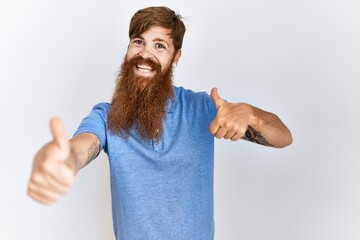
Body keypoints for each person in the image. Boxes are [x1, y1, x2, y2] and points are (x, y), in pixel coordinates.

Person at [27, 6, 293, 240]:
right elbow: (81, 148)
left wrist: (251, 114)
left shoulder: (202, 108)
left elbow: (284, 138)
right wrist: (63, 160)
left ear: (176, 57)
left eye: (159, 45)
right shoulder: (106, 116)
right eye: (138, 41)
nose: (145, 54)